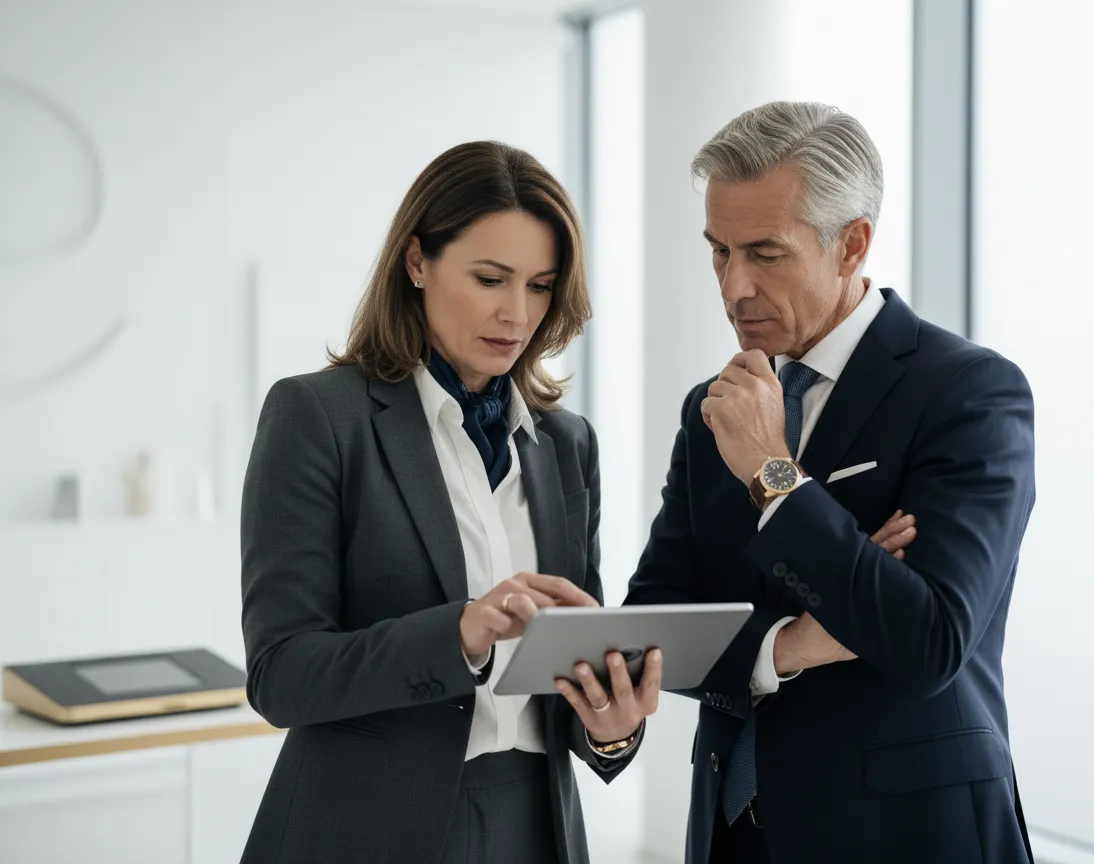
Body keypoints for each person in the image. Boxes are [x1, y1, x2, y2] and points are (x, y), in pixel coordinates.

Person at [624, 102, 1036, 864]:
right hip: (732, 835)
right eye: (718, 252)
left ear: (852, 245)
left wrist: (775, 478)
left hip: (905, 837)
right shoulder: (712, 407)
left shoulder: (970, 393)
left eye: (765, 253)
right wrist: (788, 646)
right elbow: (654, 624)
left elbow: (928, 640)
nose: (734, 287)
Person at [239, 141, 661, 864]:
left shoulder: (566, 443)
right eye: (491, 278)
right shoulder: (319, 417)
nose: (516, 312)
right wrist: (461, 633)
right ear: (416, 263)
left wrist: (611, 724)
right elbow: (282, 675)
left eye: (540, 285)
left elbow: (571, 684)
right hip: (364, 830)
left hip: (536, 824)